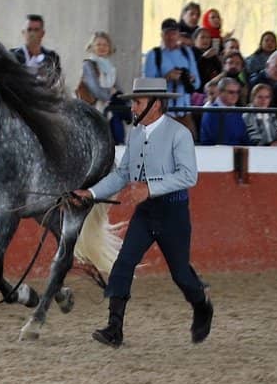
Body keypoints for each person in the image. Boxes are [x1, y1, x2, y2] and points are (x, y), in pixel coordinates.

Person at [71, 77, 212, 348]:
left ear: (156, 105)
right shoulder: (135, 134)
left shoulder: (179, 134)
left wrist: (150, 188)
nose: (133, 107)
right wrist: (91, 193)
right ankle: (114, 328)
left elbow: (188, 175)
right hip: (146, 213)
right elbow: (123, 174)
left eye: (138, 102)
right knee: (123, 264)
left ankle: (201, 305)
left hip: (173, 213)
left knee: (181, 274)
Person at [143, 18, 200, 137]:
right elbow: (147, 85)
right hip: (162, 112)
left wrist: (190, 79)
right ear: (161, 35)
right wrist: (166, 78)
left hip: (184, 111)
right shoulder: (154, 54)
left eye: (174, 33)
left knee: (190, 147)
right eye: (167, 33)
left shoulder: (187, 52)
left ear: (179, 35)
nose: (171, 37)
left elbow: (197, 83)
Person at [77, 31, 126, 144]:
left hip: (109, 107)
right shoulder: (89, 64)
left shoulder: (111, 67)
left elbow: (117, 87)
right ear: (92, 47)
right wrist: (110, 95)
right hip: (93, 106)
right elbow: (95, 89)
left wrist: (123, 99)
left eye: (105, 45)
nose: (102, 47)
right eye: (98, 44)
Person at [11, 13, 62, 84]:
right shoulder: (13, 56)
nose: (32, 34)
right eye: (29, 30)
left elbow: (55, 82)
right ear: (23, 32)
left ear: (42, 33)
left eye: (36, 30)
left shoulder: (52, 57)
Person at [199, 77, 250, 145]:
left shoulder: (237, 112)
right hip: (216, 152)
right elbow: (217, 138)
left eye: (237, 92)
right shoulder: (211, 111)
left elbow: (244, 137)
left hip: (237, 151)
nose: (235, 95)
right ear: (220, 92)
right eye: (231, 92)